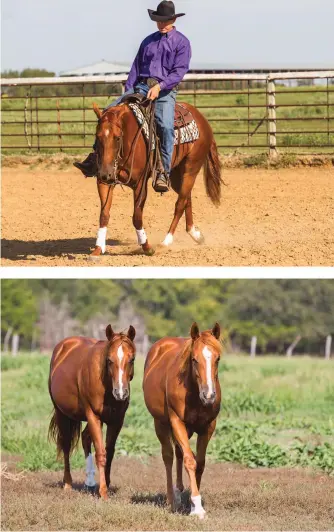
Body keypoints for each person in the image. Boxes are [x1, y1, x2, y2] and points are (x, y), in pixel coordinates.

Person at [74, 1, 191, 193]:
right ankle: (95, 159)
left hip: (165, 91)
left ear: (173, 20)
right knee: (108, 114)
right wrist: (128, 92)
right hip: (141, 86)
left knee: (166, 126)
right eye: (158, 20)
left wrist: (160, 87)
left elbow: (178, 72)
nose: (161, 24)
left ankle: (163, 172)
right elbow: (136, 68)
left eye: (165, 21)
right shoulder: (147, 41)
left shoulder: (182, 43)